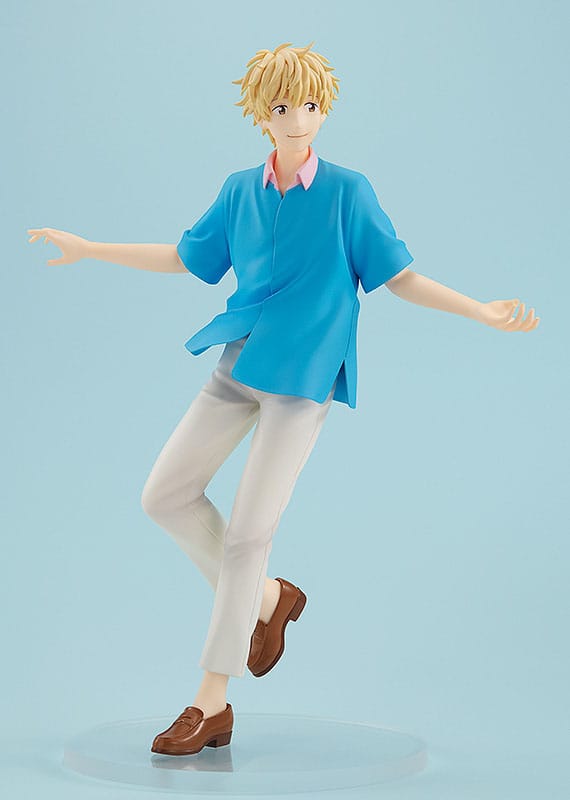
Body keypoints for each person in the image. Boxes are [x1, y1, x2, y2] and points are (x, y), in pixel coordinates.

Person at [27, 41, 539, 757]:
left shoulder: (348, 193)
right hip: (239, 364)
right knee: (164, 495)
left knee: (247, 536)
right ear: (260, 115)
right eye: (281, 106)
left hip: (303, 381)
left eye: (310, 104)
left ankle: (210, 702)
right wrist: (90, 248)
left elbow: (400, 277)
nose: (297, 118)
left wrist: (479, 310)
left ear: (324, 109)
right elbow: (187, 257)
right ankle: (270, 600)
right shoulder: (241, 190)